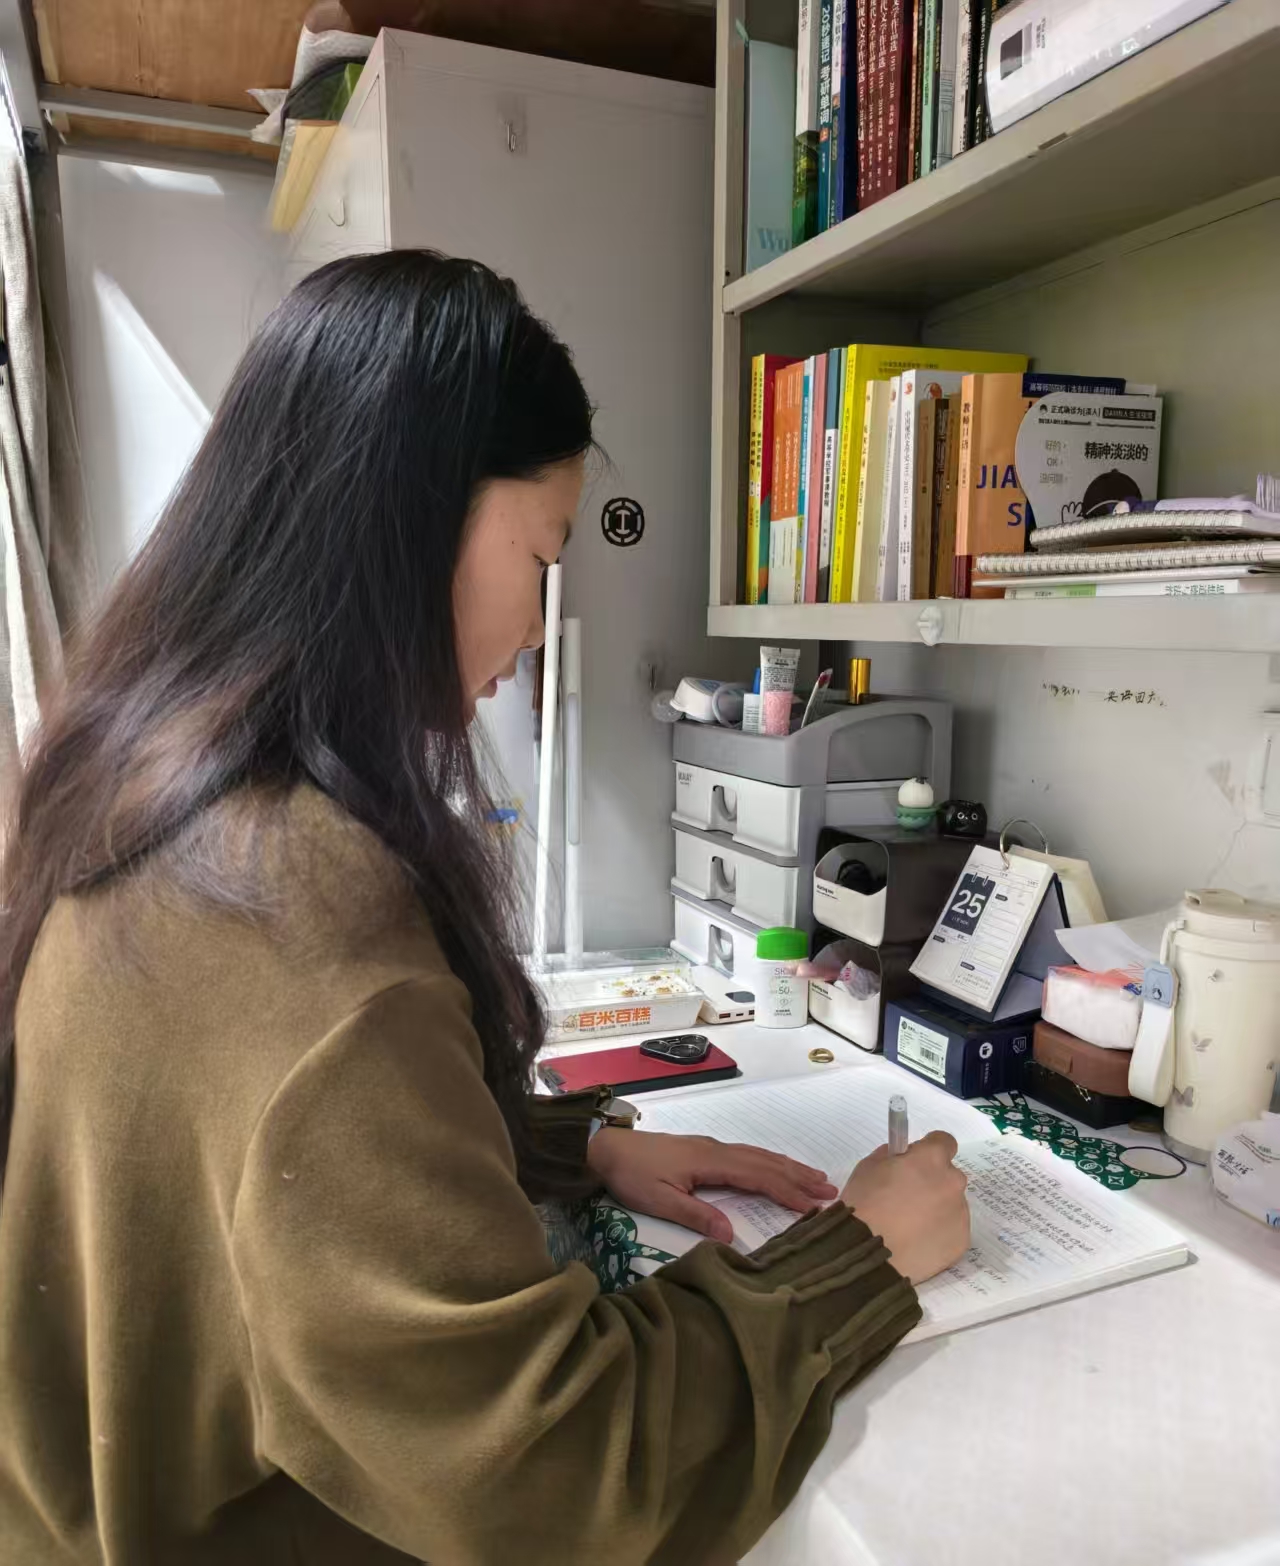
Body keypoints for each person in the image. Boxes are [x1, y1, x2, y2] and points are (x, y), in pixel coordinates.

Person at [0, 251, 969, 1565]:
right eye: (541, 556)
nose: (534, 630)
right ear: (410, 519)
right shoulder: (299, 914)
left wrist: (565, 1149)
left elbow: (270, 1184)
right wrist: (859, 1259)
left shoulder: (152, 782)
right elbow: (552, 1477)